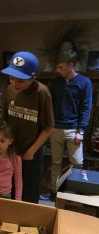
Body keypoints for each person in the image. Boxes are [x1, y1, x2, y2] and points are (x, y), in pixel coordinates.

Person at [1, 51, 54, 203]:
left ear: (32, 78)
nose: (14, 84)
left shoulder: (41, 92)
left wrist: (31, 151)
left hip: (31, 153)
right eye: (12, 79)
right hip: (11, 151)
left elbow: (48, 127)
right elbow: (4, 121)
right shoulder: (10, 90)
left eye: (20, 81)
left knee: (29, 193)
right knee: (10, 190)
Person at [49, 50, 92, 199]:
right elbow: (51, 105)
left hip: (74, 129)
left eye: (61, 67)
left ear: (70, 65)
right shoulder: (56, 82)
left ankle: (73, 192)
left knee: (77, 163)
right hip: (55, 129)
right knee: (55, 162)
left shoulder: (85, 82)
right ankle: (55, 192)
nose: (58, 70)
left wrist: (81, 130)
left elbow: (86, 107)